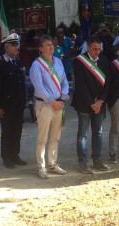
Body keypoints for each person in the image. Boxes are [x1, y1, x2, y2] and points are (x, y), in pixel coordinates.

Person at [30, 35, 69, 179]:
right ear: (40, 49)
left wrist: (63, 95)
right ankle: (41, 166)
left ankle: (52, 164)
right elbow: (39, 88)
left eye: (52, 44)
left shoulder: (58, 61)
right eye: (47, 45)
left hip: (59, 104)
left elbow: (65, 80)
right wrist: (53, 101)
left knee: (55, 136)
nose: (51, 47)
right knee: (42, 138)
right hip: (45, 105)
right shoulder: (37, 65)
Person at [71, 35, 110, 174]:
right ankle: (82, 162)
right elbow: (80, 85)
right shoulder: (79, 61)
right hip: (84, 104)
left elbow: (107, 83)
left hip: (99, 104)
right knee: (83, 133)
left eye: (99, 49)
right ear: (87, 47)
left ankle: (97, 159)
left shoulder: (104, 60)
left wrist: (100, 101)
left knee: (98, 132)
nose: (97, 52)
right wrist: (92, 103)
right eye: (94, 49)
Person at [0, 33, 27, 169]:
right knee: (7, 131)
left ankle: (15, 154)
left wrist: (24, 101)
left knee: (17, 130)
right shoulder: (0, 64)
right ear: (6, 47)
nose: (17, 48)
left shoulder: (17, 62)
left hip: (18, 104)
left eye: (17, 45)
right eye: (14, 46)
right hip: (6, 105)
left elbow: (21, 83)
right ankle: (6, 157)